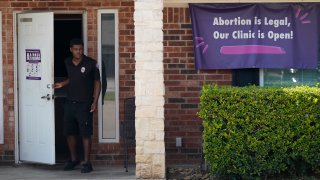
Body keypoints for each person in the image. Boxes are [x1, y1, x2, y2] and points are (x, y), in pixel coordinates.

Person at [55, 38, 101, 173]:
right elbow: (74, 78)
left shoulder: (91, 63)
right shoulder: (67, 62)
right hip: (70, 103)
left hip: (84, 104)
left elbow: (97, 83)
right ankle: (74, 160)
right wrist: (63, 83)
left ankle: (87, 163)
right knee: (70, 133)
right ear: (71, 50)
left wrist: (94, 101)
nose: (78, 52)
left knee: (85, 134)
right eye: (75, 49)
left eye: (80, 49)